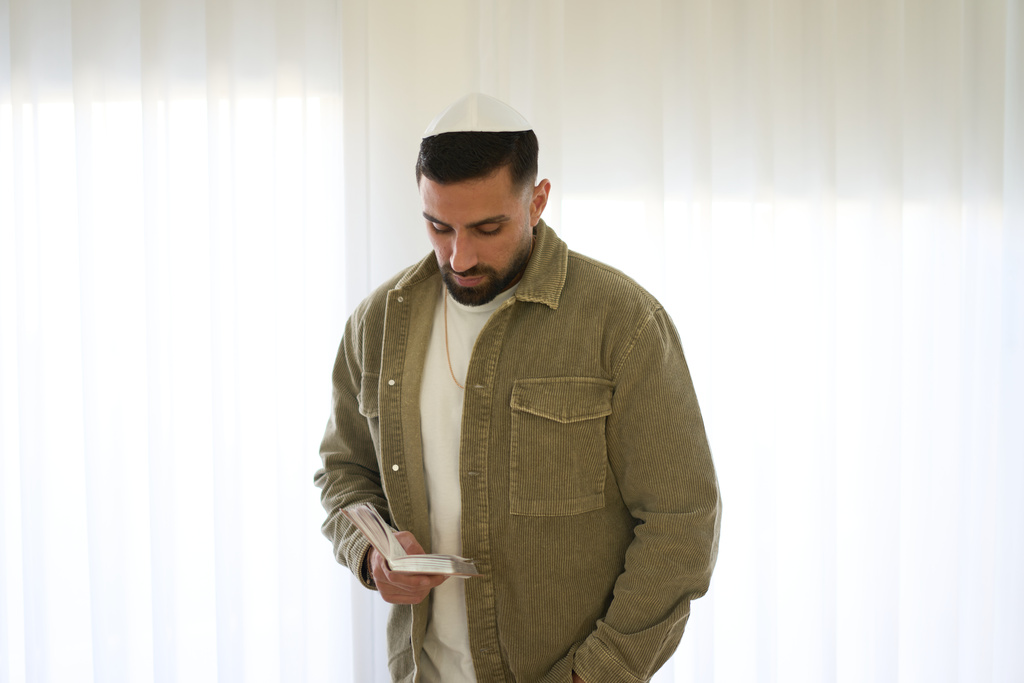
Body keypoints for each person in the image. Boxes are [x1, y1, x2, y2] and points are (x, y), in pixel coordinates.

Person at [315, 93, 721, 683]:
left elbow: (682, 523)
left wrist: (596, 673)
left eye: (487, 227)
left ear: (537, 200)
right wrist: (373, 557)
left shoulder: (624, 323)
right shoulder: (377, 324)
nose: (460, 256)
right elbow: (342, 470)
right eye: (439, 225)